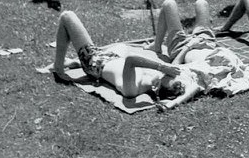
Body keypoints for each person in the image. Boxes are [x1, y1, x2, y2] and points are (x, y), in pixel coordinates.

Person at [53, 10, 199, 110]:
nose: (167, 73)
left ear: (156, 87)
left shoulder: (132, 89)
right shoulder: (160, 82)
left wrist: (162, 67)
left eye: (166, 76)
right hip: (114, 57)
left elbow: (131, 60)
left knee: (67, 16)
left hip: (95, 62)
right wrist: (188, 47)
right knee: (122, 46)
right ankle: (75, 62)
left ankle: (59, 68)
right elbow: (193, 86)